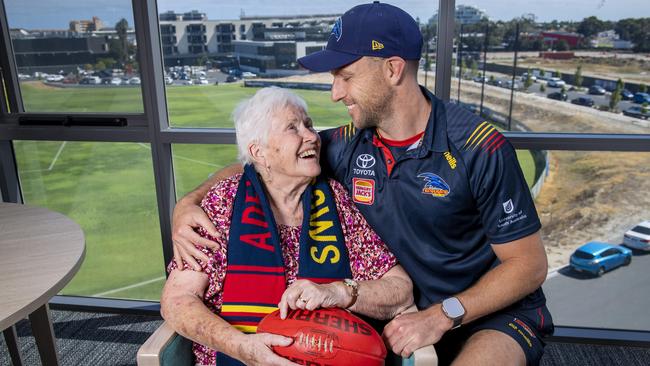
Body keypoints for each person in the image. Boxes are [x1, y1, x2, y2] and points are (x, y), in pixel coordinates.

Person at [171, 3, 554, 365]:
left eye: (346, 76)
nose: (335, 92)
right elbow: (261, 167)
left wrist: (442, 315)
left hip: (487, 314)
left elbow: (529, 265)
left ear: (392, 69)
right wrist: (188, 204)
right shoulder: (344, 145)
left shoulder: (479, 148)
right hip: (401, 316)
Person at [160, 87, 413, 366]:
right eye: (293, 128)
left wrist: (340, 292)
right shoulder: (224, 204)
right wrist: (241, 347)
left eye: (309, 125)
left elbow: (400, 290)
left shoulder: (336, 202)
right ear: (260, 152)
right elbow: (178, 300)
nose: (312, 137)